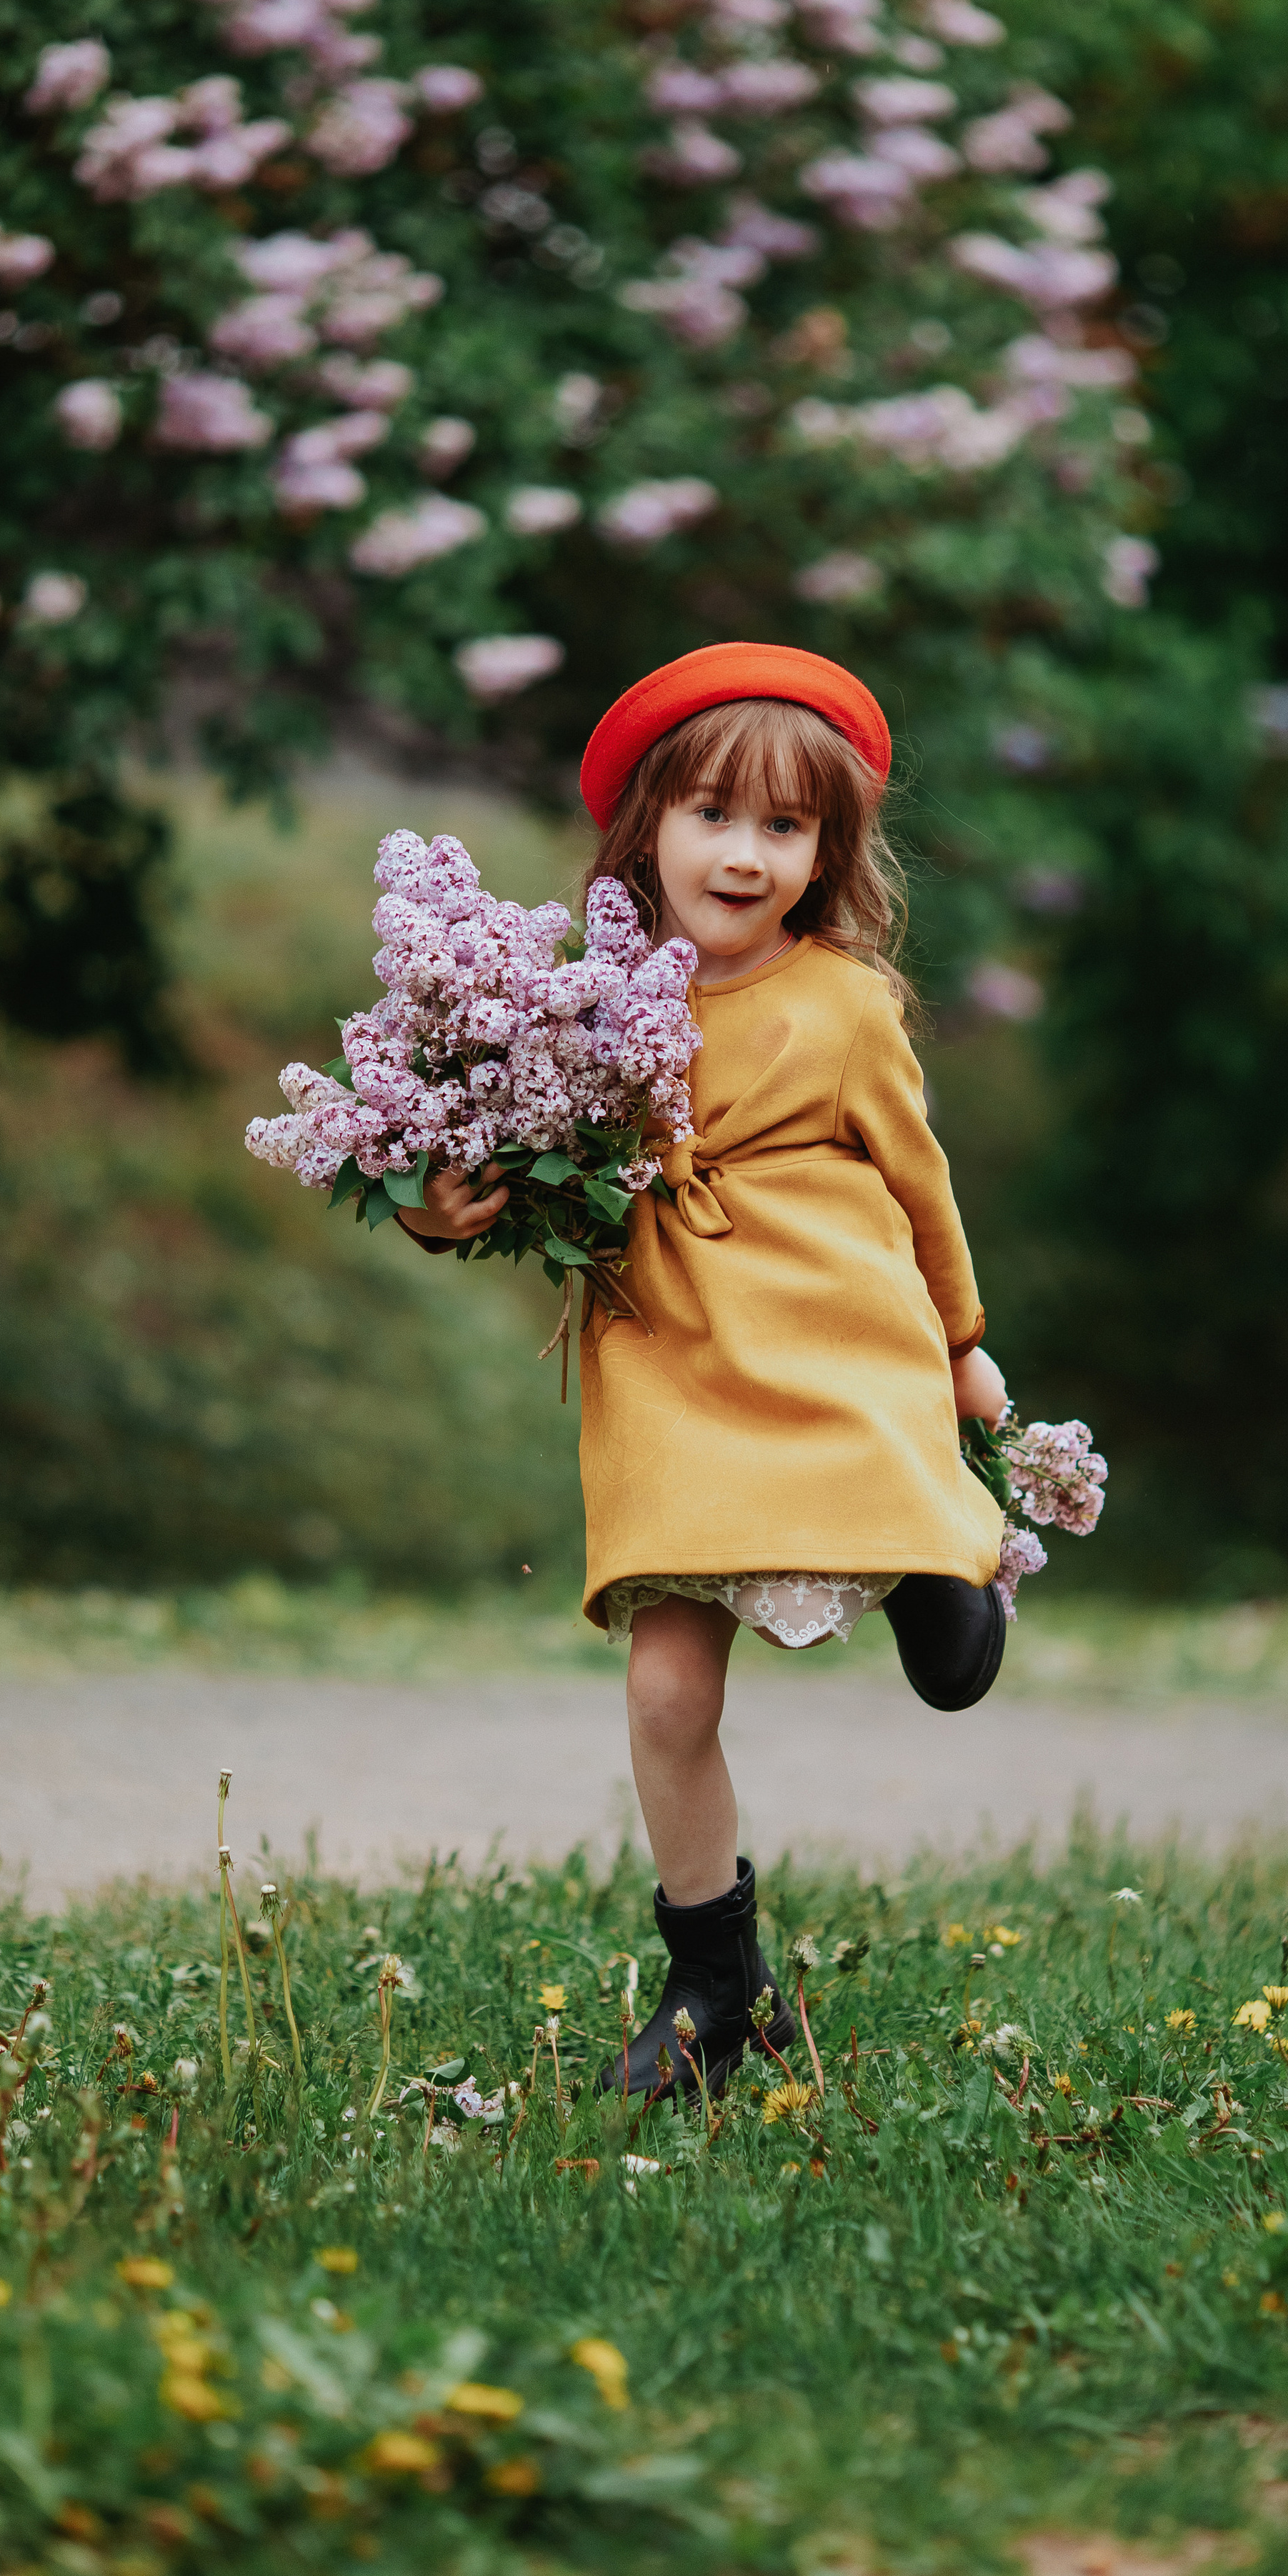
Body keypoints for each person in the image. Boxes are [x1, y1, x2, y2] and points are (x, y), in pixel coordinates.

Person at [398, 643, 1009, 2100]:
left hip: (838, 1337)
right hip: (669, 1364)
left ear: (825, 851)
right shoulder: (573, 1007)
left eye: (783, 828)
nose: (742, 855)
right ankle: (711, 1981)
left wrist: (965, 1349)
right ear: (646, 831)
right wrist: (437, 1202)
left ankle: (947, 1554)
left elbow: (921, 1189)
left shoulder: (845, 1005)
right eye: (713, 816)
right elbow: (475, 1153)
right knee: (668, 1694)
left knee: (897, 1510)